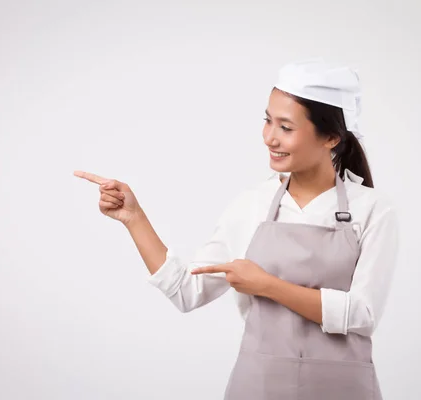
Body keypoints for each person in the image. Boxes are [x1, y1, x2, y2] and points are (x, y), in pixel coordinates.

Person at [74, 58, 399, 400]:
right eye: (267, 121)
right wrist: (134, 218)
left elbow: (361, 314)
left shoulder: (373, 209)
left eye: (286, 127)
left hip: (340, 390)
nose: (269, 138)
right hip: (258, 387)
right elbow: (187, 290)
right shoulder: (252, 205)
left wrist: (268, 286)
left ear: (331, 137)